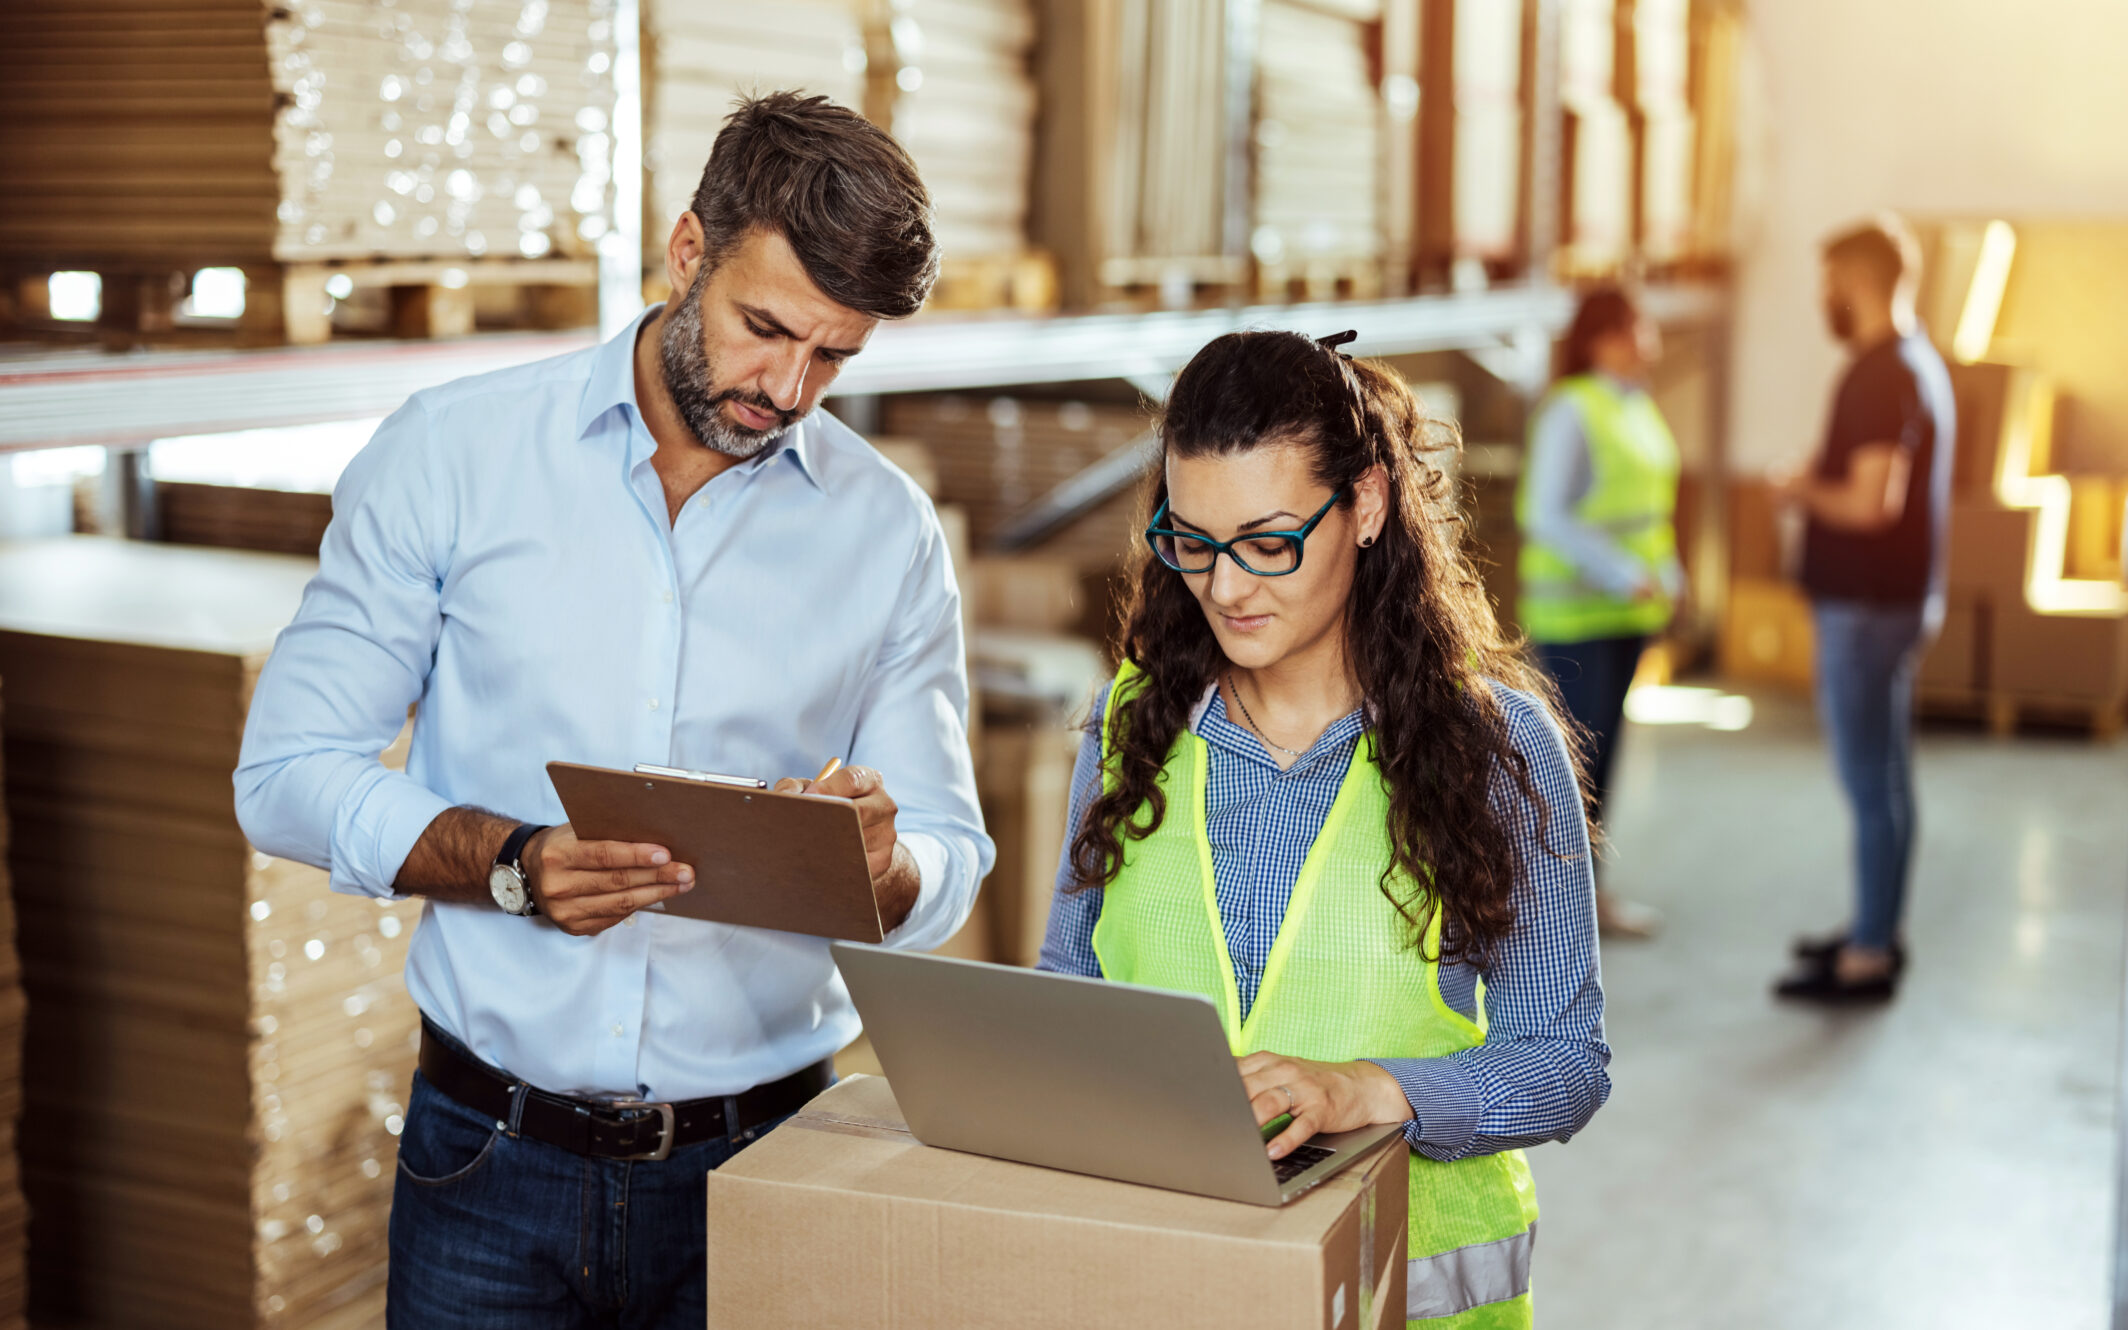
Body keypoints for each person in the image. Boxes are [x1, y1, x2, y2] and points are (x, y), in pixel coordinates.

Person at [234, 92, 992, 1328]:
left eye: (835, 355)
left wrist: (889, 867)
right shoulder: (455, 456)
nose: (790, 388)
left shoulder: (887, 533)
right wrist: (512, 863)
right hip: (489, 1159)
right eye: (766, 329)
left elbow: (952, 855)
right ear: (687, 250)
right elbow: (285, 772)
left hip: (768, 1169)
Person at [1038, 330, 1609, 1328]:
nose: (1223, 588)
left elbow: (1564, 1060)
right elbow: (1067, 995)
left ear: (1368, 504)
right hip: (1166, 1291)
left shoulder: (1495, 753)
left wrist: (1371, 1090)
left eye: (1267, 543)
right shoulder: (1127, 725)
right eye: (1191, 542)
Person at [1770, 213, 1954, 1004]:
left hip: (1866, 608)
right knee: (1889, 780)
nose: (1825, 298)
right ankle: (1876, 927)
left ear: (1862, 281)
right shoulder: (1917, 362)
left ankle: (1870, 954)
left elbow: (1872, 501)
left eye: (1831, 283)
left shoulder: (1881, 374)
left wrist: (1798, 487)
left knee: (1870, 783)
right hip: (1897, 603)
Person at [1515, 286, 1683, 939]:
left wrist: (1669, 575)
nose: (1652, 339)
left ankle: (1587, 904)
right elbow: (1544, 514)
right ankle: (1550, 916)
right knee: (1570, 773)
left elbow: (1648, 510)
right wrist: (1625, 573)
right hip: (1576, 619)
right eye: (1641, 325)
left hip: (1626, 615)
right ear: (1605, 336)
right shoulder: (1570, 410)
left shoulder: (1634, 405)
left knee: (1604, 764)